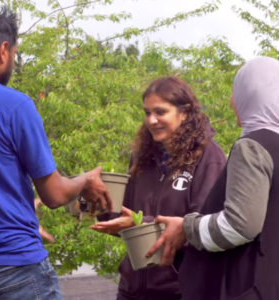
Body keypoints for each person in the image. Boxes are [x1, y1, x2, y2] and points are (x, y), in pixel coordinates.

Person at [0, 7, 112, 300]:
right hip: (12, 266)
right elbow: (54, 194)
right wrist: (85, 180)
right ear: (4, 50)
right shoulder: (14, 105)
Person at [147, 56, 279, 300]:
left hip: (250, 286)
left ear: (251, 95)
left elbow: (240, 226)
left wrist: (187, 228)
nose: (232, 100)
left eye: (236, 91)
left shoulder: (253, 146)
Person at [91, 76, 227, 300]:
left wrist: (138, 223)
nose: (152, 120)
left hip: (180, 291)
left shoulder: (207, 156)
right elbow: (126, 213)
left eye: (160, 112)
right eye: (147, 113)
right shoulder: (143, 157)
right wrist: (96, 201)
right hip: (132, 291)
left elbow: (203, 223)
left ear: (184, 112)